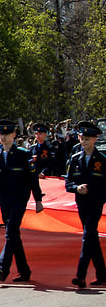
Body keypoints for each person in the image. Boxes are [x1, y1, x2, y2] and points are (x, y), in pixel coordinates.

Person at [0, 120, 44, 282]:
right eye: (1, 134)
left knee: (10, 232)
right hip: (3, 200)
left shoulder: (23, 154)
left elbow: (33, 178)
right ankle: (24, 271)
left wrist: (38, 199)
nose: (3, 137)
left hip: (19, 199)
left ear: (13, 135)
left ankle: (2, 267)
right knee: (13, 235)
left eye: (6, 134)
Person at [65, 121, 106, 289]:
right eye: (82, 138)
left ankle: (80, 275)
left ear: (95, 139)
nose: (84, 141)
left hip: (96, 203)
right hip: (81, 203)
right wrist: (77, 188)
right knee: (91, 237)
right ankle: (102, 274)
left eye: (88, 139)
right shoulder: (74, 159)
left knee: (87, 234)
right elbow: (68, 183)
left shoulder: (102, 160)